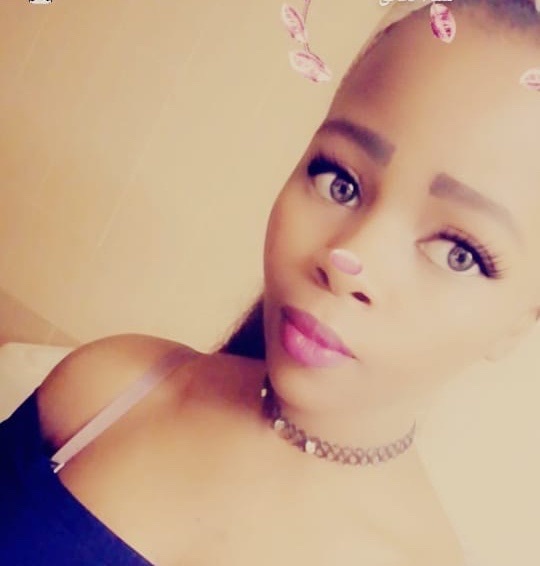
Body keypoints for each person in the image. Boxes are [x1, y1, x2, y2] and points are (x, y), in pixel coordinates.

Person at [1, 0, 540, 564]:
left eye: (458, 253)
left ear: (520, 322)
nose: (349, 257)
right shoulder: (110, 391)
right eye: (340, 182)